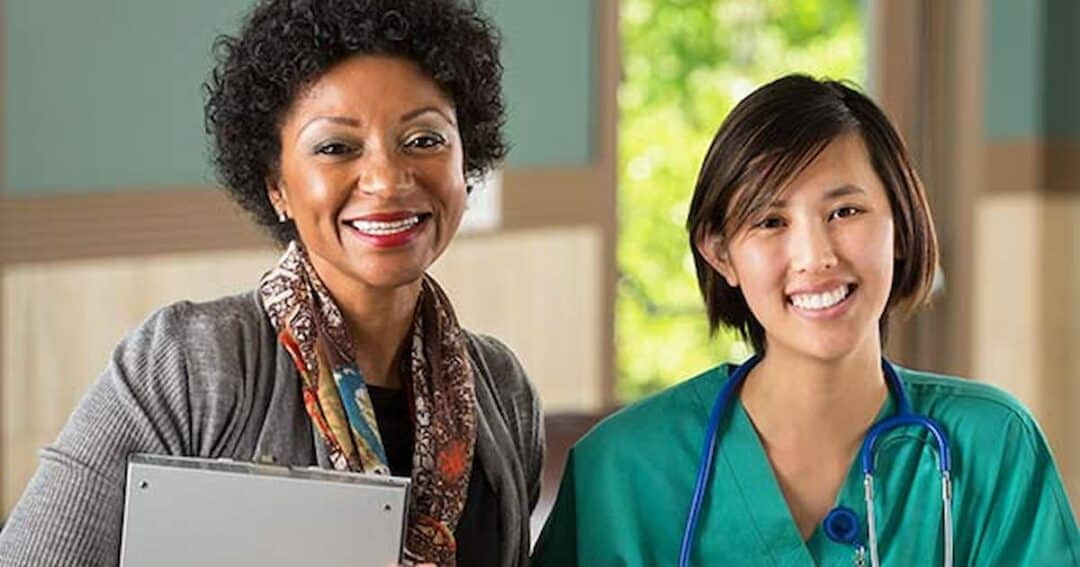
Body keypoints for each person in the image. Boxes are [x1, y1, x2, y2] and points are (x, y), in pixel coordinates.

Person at [0, 1, 543, 565]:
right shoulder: (188, 368)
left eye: (425, 140)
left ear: (466, 159)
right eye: (336, 147)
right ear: (275, 185)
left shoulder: (501, 392)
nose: (386, 180)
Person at [531, 75, 1079, 565]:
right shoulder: (621, 470)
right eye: (770, 221)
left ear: (901, 226)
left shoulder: (990, 445)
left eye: (845, 212)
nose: (816, 256)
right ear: (721, 254)